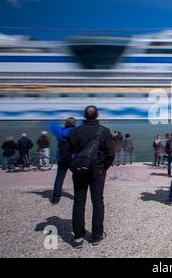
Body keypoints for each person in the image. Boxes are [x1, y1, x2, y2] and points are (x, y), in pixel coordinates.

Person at [61, 105, 115, 248]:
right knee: (97, 201)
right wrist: (103, 168)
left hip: (79, 172)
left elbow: (65, 154)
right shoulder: (104, 131)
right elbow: (111, 154)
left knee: (79, 202)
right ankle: (97, 235)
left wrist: (73, 167)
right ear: (97, 115)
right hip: (97, 172)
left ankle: (78, 237)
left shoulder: (74, 132)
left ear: (84, 116)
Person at [50, 117, 77, 204]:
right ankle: (77, 196)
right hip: (73, 158)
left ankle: (55, 198)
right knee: (77, 177)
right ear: (74, 124)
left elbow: (53, 125)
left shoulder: (60, 131)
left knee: (59, 178)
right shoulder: (77, 132)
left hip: (61, 157)